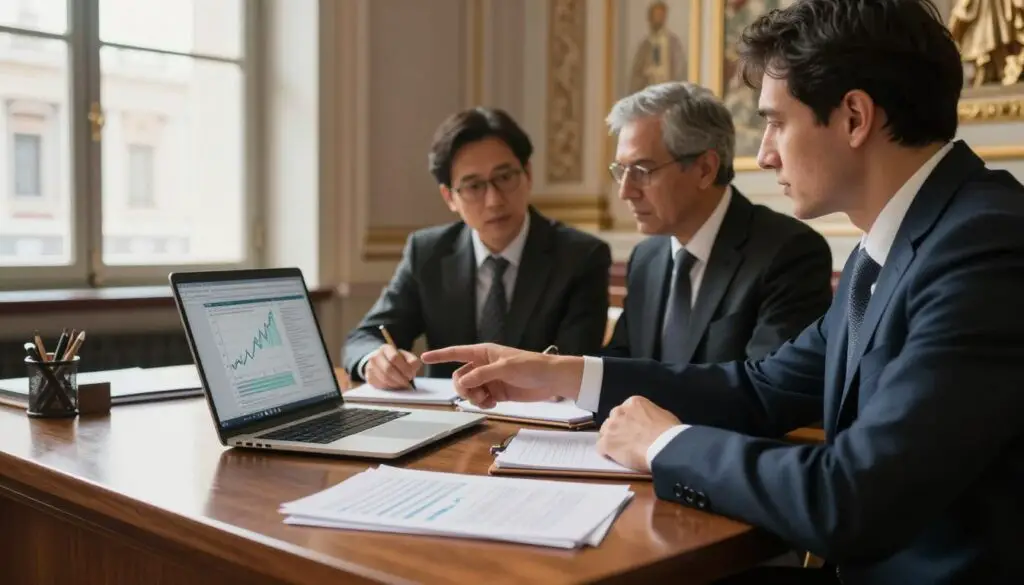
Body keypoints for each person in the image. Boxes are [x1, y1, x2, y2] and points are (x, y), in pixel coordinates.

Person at [422, 1, 1024, 583]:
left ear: (854, 117)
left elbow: (851, 497)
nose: (762, 155)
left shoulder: (985, 247)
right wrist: (563, 374)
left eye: (774, 122)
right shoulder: (893, 244)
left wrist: (664, 443)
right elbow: (763, 389)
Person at [343, 107, 611, 389]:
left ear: (528, 174)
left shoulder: (581, 256)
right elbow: (364, 338)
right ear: (449, 197)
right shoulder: (428, 252)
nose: (494, 200)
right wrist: (377, 360)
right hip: (447, 421)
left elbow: (577, 365)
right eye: (473, 186)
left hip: (540, 422)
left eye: (505, 177)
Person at [601, 81, 832, 400]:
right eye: (621, 170)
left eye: (642, 170)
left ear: (705, 169)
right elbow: (621, 361)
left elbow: (767, 392)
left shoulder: (788, 253)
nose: (625, 191)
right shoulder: (646, 257)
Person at [629, 1, 687, 92]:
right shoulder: (645, 45)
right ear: (650, 18)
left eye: (661, 15)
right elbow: (636, 75)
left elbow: (680, 70)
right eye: (656, 15)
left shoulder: (673, 43)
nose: (658, 19)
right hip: (649, 92)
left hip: (668, 92)